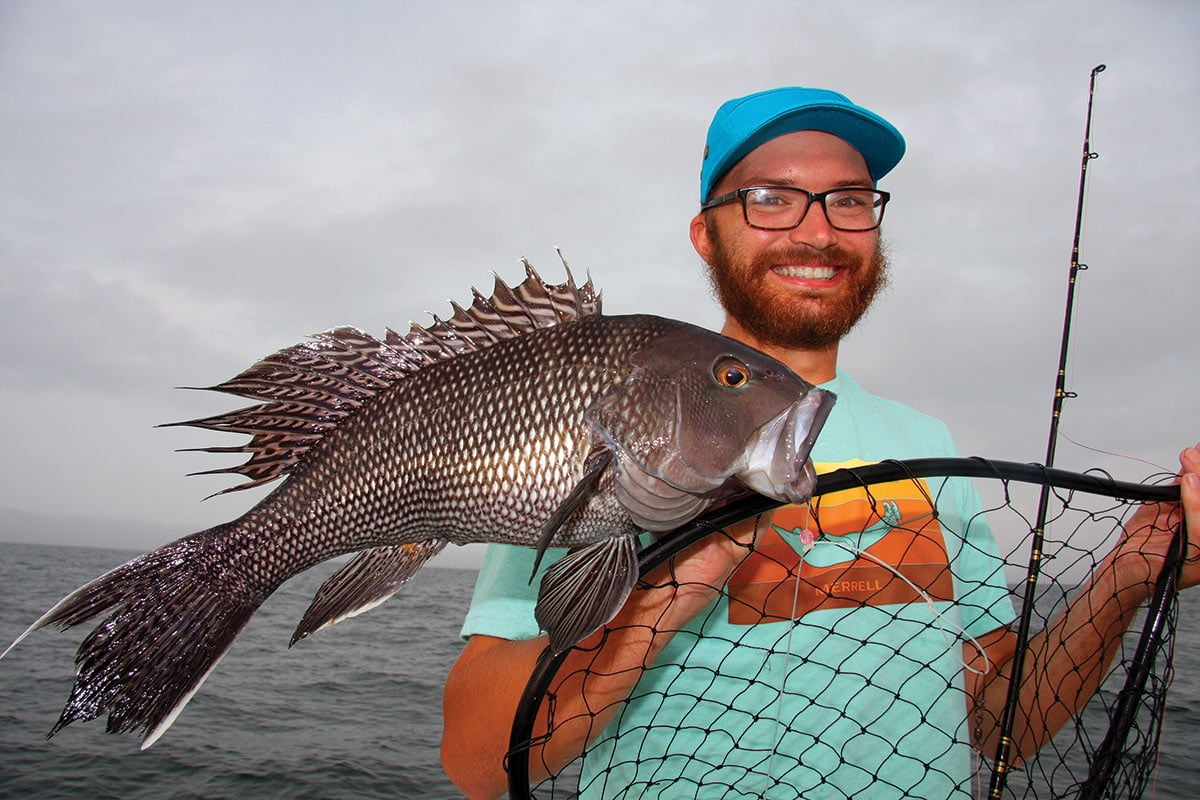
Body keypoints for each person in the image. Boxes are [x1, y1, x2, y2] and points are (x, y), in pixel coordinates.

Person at [441, 87, 1198, 799]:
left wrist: (1130, 574)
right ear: (707, 233)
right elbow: (476, 760)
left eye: (851, 200)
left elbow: (1007, 724)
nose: (818, 229)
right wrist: (667, 595)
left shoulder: (928, 444)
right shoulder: (593, 431)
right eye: (770, 198)